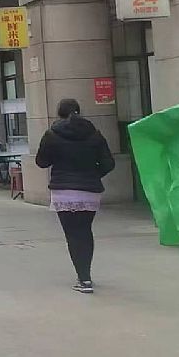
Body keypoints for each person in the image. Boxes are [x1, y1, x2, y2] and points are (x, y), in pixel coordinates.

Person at [35, 98, 115, 294]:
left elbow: (41, 162)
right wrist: (93, 174)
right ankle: (85, 277)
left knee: (72, 234)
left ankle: (83, 279)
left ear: (59, 113)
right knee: (85, 231)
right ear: (79, 111)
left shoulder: (52, 134)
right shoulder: (95, 134)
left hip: (63, 191)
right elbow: (109, 163)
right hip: (89, 190)